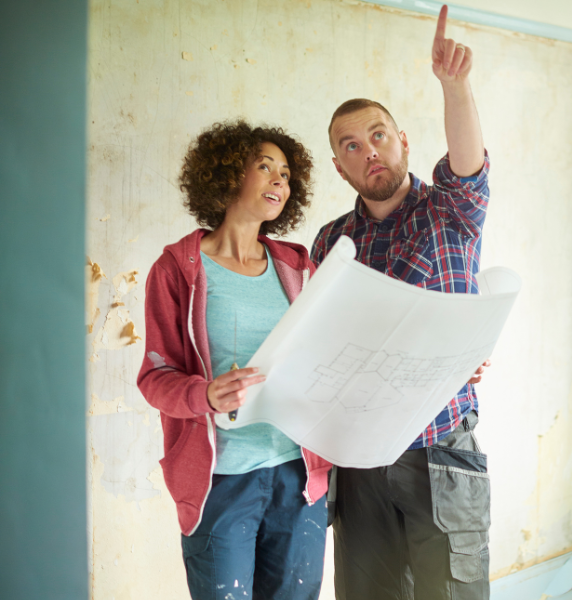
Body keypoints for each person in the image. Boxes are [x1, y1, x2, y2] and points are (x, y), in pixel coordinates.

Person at [310, 6, 492, 599]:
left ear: (403, 140)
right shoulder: (330, 242)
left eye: (379, 135)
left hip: (439, 447)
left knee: (451, 592)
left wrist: (454, 86)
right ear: (341, 167)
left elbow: (468, 168)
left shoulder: (449, 212)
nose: (370, 152)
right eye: (353, 146)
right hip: (359, 454)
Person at [137, 120, 333, 600]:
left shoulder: (299, 267)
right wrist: (204, 394)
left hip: (300, 477)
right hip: (220, 480)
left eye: (285, 174)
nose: (278, 182)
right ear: (226, 176)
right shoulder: (176, 270)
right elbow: (154, 377)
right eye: (264, 167)